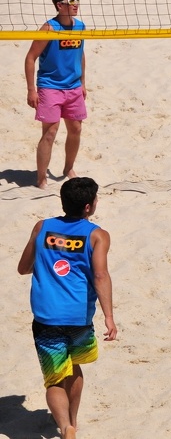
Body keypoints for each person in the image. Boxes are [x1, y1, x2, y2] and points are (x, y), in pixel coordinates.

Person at [17, 177, 116, 439]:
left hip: (47, 317)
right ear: (88, 206)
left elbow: (22, 268)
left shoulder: (42, 227)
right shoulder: (97, 235)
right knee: (74, 367)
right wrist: (109, 316)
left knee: (54, 379)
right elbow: (100, 275)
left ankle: (65, 428)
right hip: (79, 318)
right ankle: (73, 420)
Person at [25, 0, 87, 190]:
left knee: (76, 129)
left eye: (77, 1)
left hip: (73, 86)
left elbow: (81, 54)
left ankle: (68, 168)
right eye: (71, 2)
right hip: (50, 86)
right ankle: (41, 178)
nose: (76, 5)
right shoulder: (49, 28)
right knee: (50, 132)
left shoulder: (79, 27)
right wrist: (31, 89)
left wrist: (83, 83)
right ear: (60, 6)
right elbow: (31, 57)